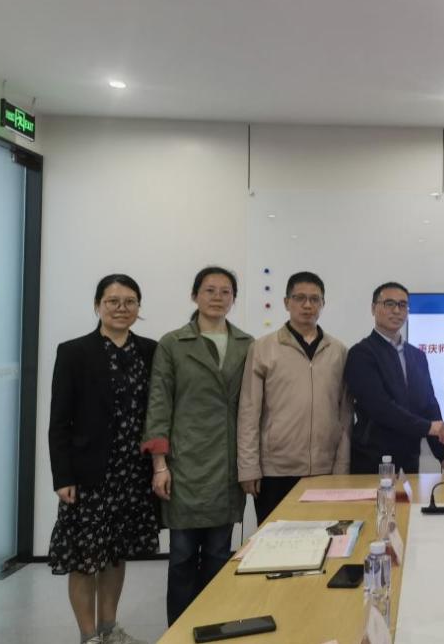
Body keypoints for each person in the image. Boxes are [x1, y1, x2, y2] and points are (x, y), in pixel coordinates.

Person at [47, 274, 159, 644]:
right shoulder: (74, 352)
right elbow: (59, 421)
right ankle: (88, 635)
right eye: (113, 301)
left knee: (115, 555)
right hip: (88, 475)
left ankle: (110, 629)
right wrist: (62, 476)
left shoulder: (150, 351)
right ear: (98, 306)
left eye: (130, 302)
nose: (121, 308)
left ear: (139, 307)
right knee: (85, 559)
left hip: (132, 473)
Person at [141, 266, 253, 625]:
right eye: (209, 290)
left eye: (225, 292)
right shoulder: (173, 343)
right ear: (194, 296)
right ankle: (179, 629)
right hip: (185, 463)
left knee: (220, 553)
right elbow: (159, 404)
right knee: (182, 555)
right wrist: (160, 465)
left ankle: (213, 626)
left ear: (233, 299)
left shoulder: (247, 344)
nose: (218, 297)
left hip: (227, 464)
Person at [237, 271, 352, 526]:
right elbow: (249, 411)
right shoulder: (263, 348)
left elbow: (345, 414)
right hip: (276, 471)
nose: (307, 305)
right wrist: (248, 467)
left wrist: (342, 467)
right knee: (275, 541)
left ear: (323, 304)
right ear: (286, 302)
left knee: (324, 541)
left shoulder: (338, 351)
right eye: (300, 298)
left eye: (315, 299)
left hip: (324, 469)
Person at [344, 281, 444, 474]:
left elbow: (429, 405)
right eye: (389, 304)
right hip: (372, 460)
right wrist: (427, 427)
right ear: (373, 308)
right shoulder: (361, 354)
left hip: (409, 460)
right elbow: (380, 407)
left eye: (402, 305)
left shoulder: (417, 356)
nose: (396, 311)